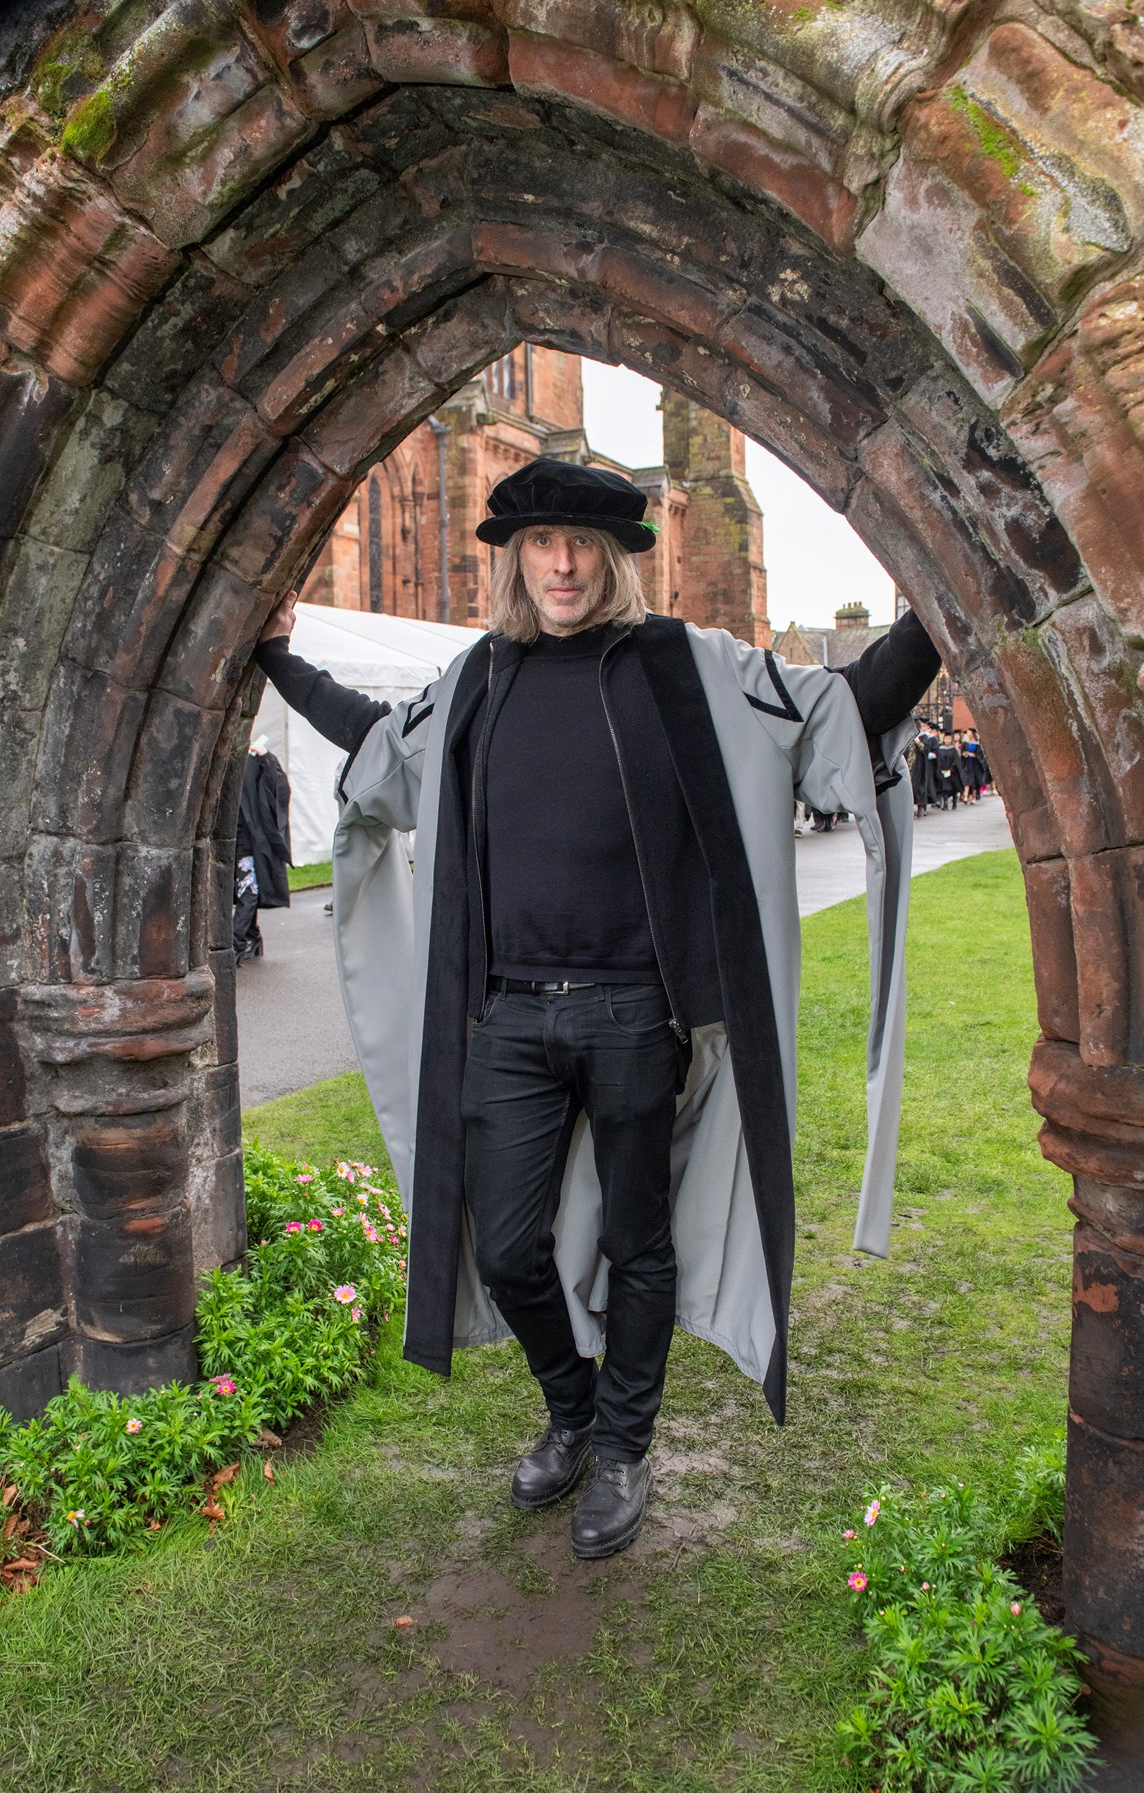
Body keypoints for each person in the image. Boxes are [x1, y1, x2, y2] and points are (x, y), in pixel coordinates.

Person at [253, 460, 939, 1557]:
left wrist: (935, 615)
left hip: (636, 1016)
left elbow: (840, 710)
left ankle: (622, 1448)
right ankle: (569, 1409)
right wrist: (275, 655)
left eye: (581, 541)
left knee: (637, 1238)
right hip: (509, 1020)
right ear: (514, 558)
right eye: (539, 542)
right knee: (509, 1243)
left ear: (614, 553)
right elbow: (377, 742)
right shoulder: (481, 676)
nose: (561, 562)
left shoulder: (688, 667)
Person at [233, 735, 292, 963]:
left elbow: (279, 787)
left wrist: (265, 756)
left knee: (248, 891)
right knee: (247, 891)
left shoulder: (255, 762)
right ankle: (252, 937)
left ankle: (238, 941)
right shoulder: (233, 764)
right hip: (237, 843)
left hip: (248, 843)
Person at [936, 732, 964, 812]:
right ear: (943, 740)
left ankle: (954, 802)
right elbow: (938, 761)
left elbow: (956, 761)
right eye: (946, 739)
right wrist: (941, 769)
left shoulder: (953, 749)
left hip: (952, 772)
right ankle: (945, 804)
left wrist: (951, 769)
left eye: (949, 738)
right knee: (944, 788)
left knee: (953, 788)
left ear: (951, 739)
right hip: (943, 772)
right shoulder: (940, 749)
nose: (947, 740)